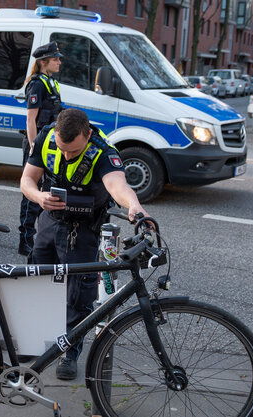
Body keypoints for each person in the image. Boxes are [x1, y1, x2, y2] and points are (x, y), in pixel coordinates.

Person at [20, 108, 149, 380]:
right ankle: (34, 342)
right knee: (35, 282)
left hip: (83, 230)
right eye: (62, 149)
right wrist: (38, 197)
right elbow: (27, 180)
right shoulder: (46, 137)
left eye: (73, 152)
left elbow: (117, 186)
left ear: (88, 135)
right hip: (50, 221)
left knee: (78, 295)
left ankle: (70, 353)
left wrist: (135, 206)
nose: (66, 156)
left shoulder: (102, 151)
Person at [19, 41, 64, 257]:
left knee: (45, 189)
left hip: (49, 144)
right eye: (55, 59)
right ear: (44, 62)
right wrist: (33, 145)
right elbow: (31, 118)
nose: (59, 62)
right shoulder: (36, 84)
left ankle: (41, 238)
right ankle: (25, 240)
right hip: (37, 143)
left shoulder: (50, 83)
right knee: (31, 193)